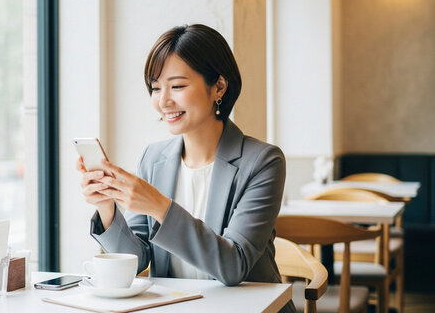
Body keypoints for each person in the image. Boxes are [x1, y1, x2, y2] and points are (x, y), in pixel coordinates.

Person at [76, 24, 295, 312]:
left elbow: (233, 265)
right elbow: (136, 259)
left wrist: (159, 206)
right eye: (156, 88)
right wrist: (107, 207)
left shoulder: (263, 162)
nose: (163, 101)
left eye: (177, 86)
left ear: (218, 86)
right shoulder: (153, 159)